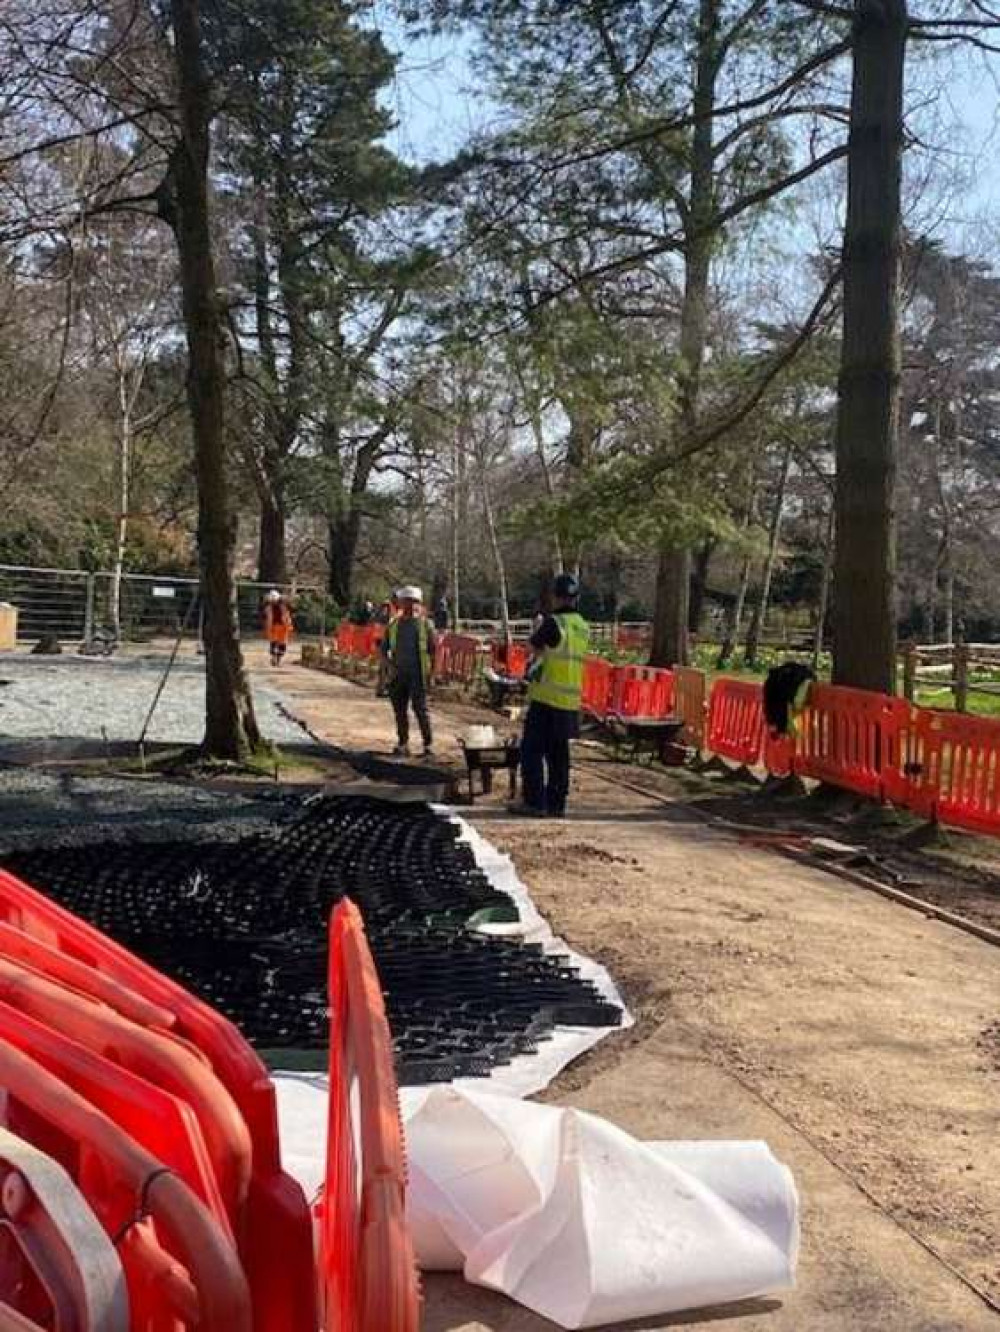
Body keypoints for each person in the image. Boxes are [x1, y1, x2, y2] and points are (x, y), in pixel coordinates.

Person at [510, 573, 589, 818]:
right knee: (559, 755)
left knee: (531, 751)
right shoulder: (582, 627)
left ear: (555, 597)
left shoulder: (554, 623)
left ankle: (534, 802)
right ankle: (557, 804)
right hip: (570, 702)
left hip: (546, 699)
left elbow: (532, 648)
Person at [382, 585, 437, 757]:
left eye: (415, 602)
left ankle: (428, 745)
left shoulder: (425, 626)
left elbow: (434, 651)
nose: (411, 606)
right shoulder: (394, 625)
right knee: (400, 710)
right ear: (401, 603)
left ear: (419, 604)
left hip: (418, 675)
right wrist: (389, 666)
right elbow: (384, 649)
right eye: (407, 602)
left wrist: (433, 674)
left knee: (420, 709)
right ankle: (403, 743)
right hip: (398, 674)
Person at [263, 589, 293, 667]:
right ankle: (274, 658)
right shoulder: (268, 607)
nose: (273, 601)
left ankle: (278, 659)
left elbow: (287, 616)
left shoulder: (284, 606)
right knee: (273, 643)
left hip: (283, 627)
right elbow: (267, 617)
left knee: (282, 644)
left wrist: (289, 625)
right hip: (273, 626)